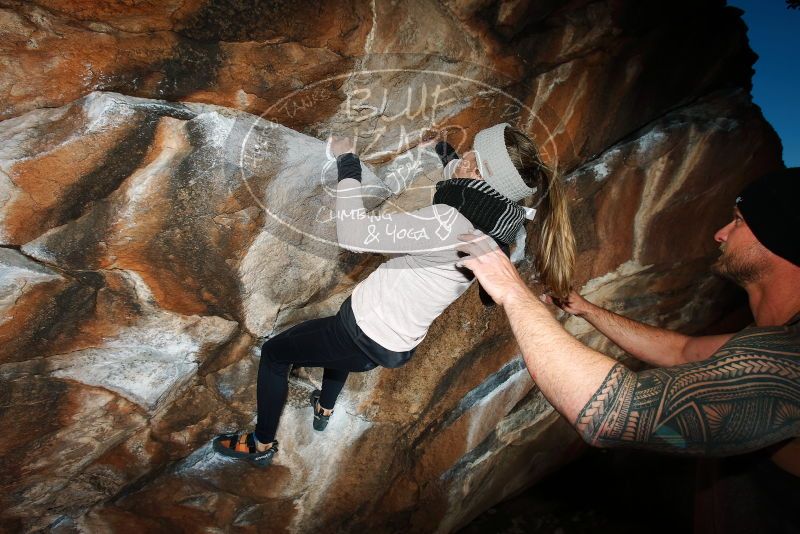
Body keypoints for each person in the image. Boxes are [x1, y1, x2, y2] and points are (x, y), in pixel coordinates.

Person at [455, 167, 799, 532]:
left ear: (783, 238)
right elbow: (683, 351)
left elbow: (616, 416)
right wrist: (586, 310)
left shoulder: (790, 358)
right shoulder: (769, 338)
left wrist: (510, 289)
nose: (721, 233)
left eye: (738, 221)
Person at [212, 123, 576, 466]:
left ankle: (260, 444)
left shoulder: (447, 221)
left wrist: (347, 160)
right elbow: (459, 175)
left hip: (361, 332)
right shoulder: (497, 223)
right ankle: (323, 409)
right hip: (392, 340)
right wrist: (442, 151)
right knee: (337, 354)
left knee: (276, 354)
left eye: (470, 154)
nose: (463, 153)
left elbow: (352, 233)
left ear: (479, 174)